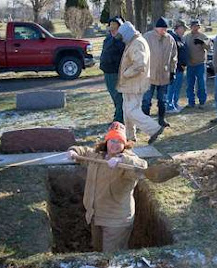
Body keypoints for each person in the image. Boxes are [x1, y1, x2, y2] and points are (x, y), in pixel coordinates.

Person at [67, 122, 147, 252]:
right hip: (94, 215)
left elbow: (142, 168)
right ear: (107, 141)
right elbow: (83, 151)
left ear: (124, 144)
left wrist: (121, 160)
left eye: (119, 141)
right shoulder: (97, 155)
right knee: (98, 252)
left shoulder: (128, 160)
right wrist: (73, 151)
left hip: (116, 221)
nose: (115, 144)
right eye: (112, 140)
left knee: (111, 257)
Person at [116, 21, 165, 144]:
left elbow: (140, 65)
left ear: (127, 33)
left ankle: (154, 129)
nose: (121, 39)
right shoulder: (133, 42)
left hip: (134, 84)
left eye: (122, 36)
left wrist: (125, 74)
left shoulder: (137, 43)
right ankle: (129, 137)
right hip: (130, 84)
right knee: (127, 112)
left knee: (132, 112)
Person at [142, 17, 178, 127]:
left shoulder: (170, 39)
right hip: (149, 75)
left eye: (165, 29)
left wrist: (172, 72)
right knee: (146, 100)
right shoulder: (147, 37)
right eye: (162, 28)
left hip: (164, 75)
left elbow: (174, 57)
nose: (164, 31)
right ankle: (145, 122)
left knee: (163, 100)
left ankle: (161, 119)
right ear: (156, 28)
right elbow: (140, 54)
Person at [100, 16, 126, 123]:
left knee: (119, 97)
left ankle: (120, 119)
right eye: (111, 27)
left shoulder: (123, 41)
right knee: (114, 96)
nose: (113, 30)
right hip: (107, 73)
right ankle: (118, 114)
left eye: (115, 28)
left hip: (117, 73)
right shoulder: (107, 39)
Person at [184, 20, 211, 109]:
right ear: (191, 27)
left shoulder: (203, 36)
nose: (195, 28)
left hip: (200, 64)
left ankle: (202, 102)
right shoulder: (187, 37)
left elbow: (209, 47)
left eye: (197, 26)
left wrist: (202, 43)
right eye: (194, 26)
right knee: (190, 84)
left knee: (201, 84)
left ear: (199, 27)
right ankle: (191, 102)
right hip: (190, 64)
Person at [167, 20, 189, 113]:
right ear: (178, 28)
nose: (184, 31)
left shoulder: (180, 38)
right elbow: (172, 55)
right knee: (171, 88)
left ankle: (175, 104)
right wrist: (179, 65)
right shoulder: (172, 38)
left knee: (177, 87)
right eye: (183, 28)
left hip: (181, 69)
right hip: (175, 68)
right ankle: (169, 106)